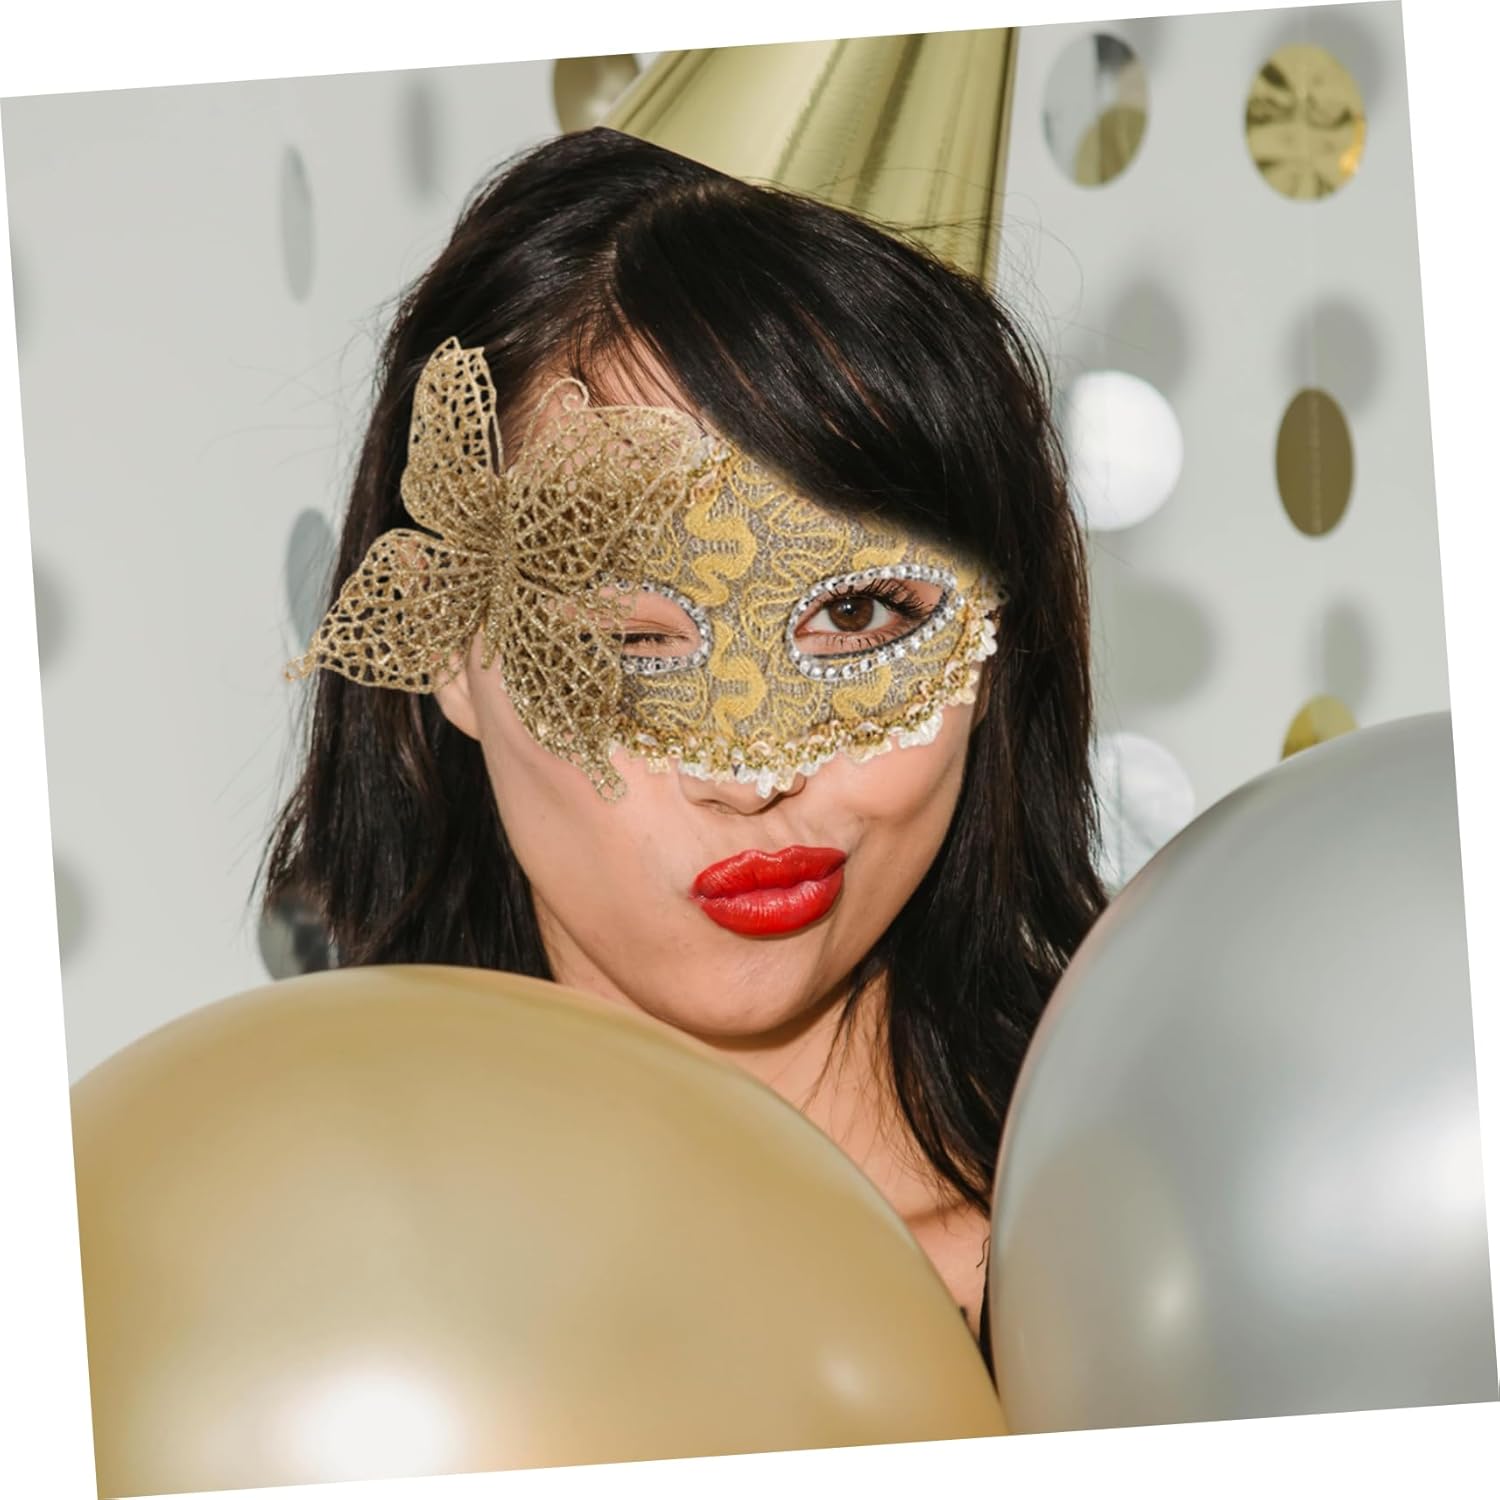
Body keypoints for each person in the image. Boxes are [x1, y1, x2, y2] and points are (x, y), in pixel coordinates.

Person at [261, 126, 1106, 1364]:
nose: (753, 773)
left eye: (856, 618)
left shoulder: (1153, 1239)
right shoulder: (313, 1302)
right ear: (445, 648)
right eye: (632, 642)